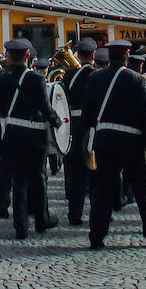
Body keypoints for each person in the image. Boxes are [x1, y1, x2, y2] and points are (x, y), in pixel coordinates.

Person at [82, 38, 146, 250]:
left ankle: (96, 236)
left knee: (102, 190)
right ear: (126, 57)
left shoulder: (95, 78)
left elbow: (88, 112)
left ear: (109, 57)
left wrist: (92, 135)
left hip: (104, 140)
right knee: (144, 189)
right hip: (131, 142)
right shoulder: (136, 79)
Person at [0, 38, 61, 241]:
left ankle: (21, 226)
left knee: (19, 179)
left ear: (9, 57)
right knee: (38, 179)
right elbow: (45, 109)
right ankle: (41, 219)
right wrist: (59, 123)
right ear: (27, 56)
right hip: (35, 136)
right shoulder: (36, 79)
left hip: (11, 133)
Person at [61, 36, 97, 225]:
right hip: (89, 126)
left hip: (71, 127)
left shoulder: (68, 75)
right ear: (93, 55)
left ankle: (74, 214)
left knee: (75, 174)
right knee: (93, 172)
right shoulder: (96, 74)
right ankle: (97, 214)